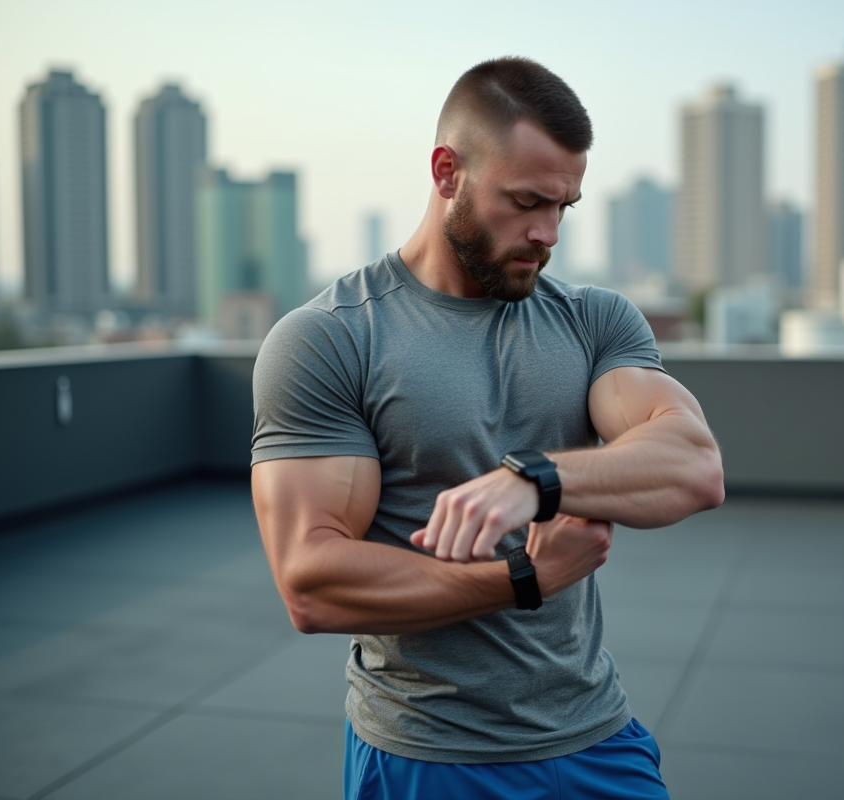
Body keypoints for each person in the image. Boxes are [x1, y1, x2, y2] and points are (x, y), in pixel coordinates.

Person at [251, 56, 724, 800]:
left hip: (595, 736)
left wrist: (534, 479)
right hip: (426, 757)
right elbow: (312, 584)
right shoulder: (330, 339)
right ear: (448, 172)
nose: (548, 232)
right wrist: (522, 578)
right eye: (527, 201)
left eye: (564, 206)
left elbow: (694, 464)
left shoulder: (594, 320)